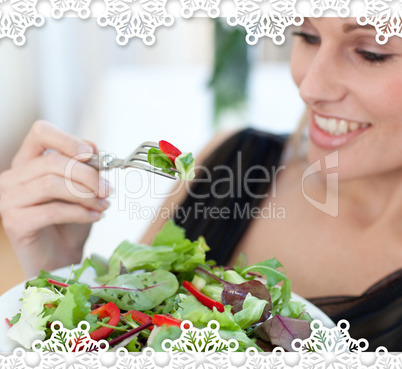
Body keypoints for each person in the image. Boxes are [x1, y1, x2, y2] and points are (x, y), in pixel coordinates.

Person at [1, 17, 402, 349]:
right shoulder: (231, 162)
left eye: (372, 53)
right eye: (307, 35)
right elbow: (126, 333)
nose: (311, 87)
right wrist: (58, 274)